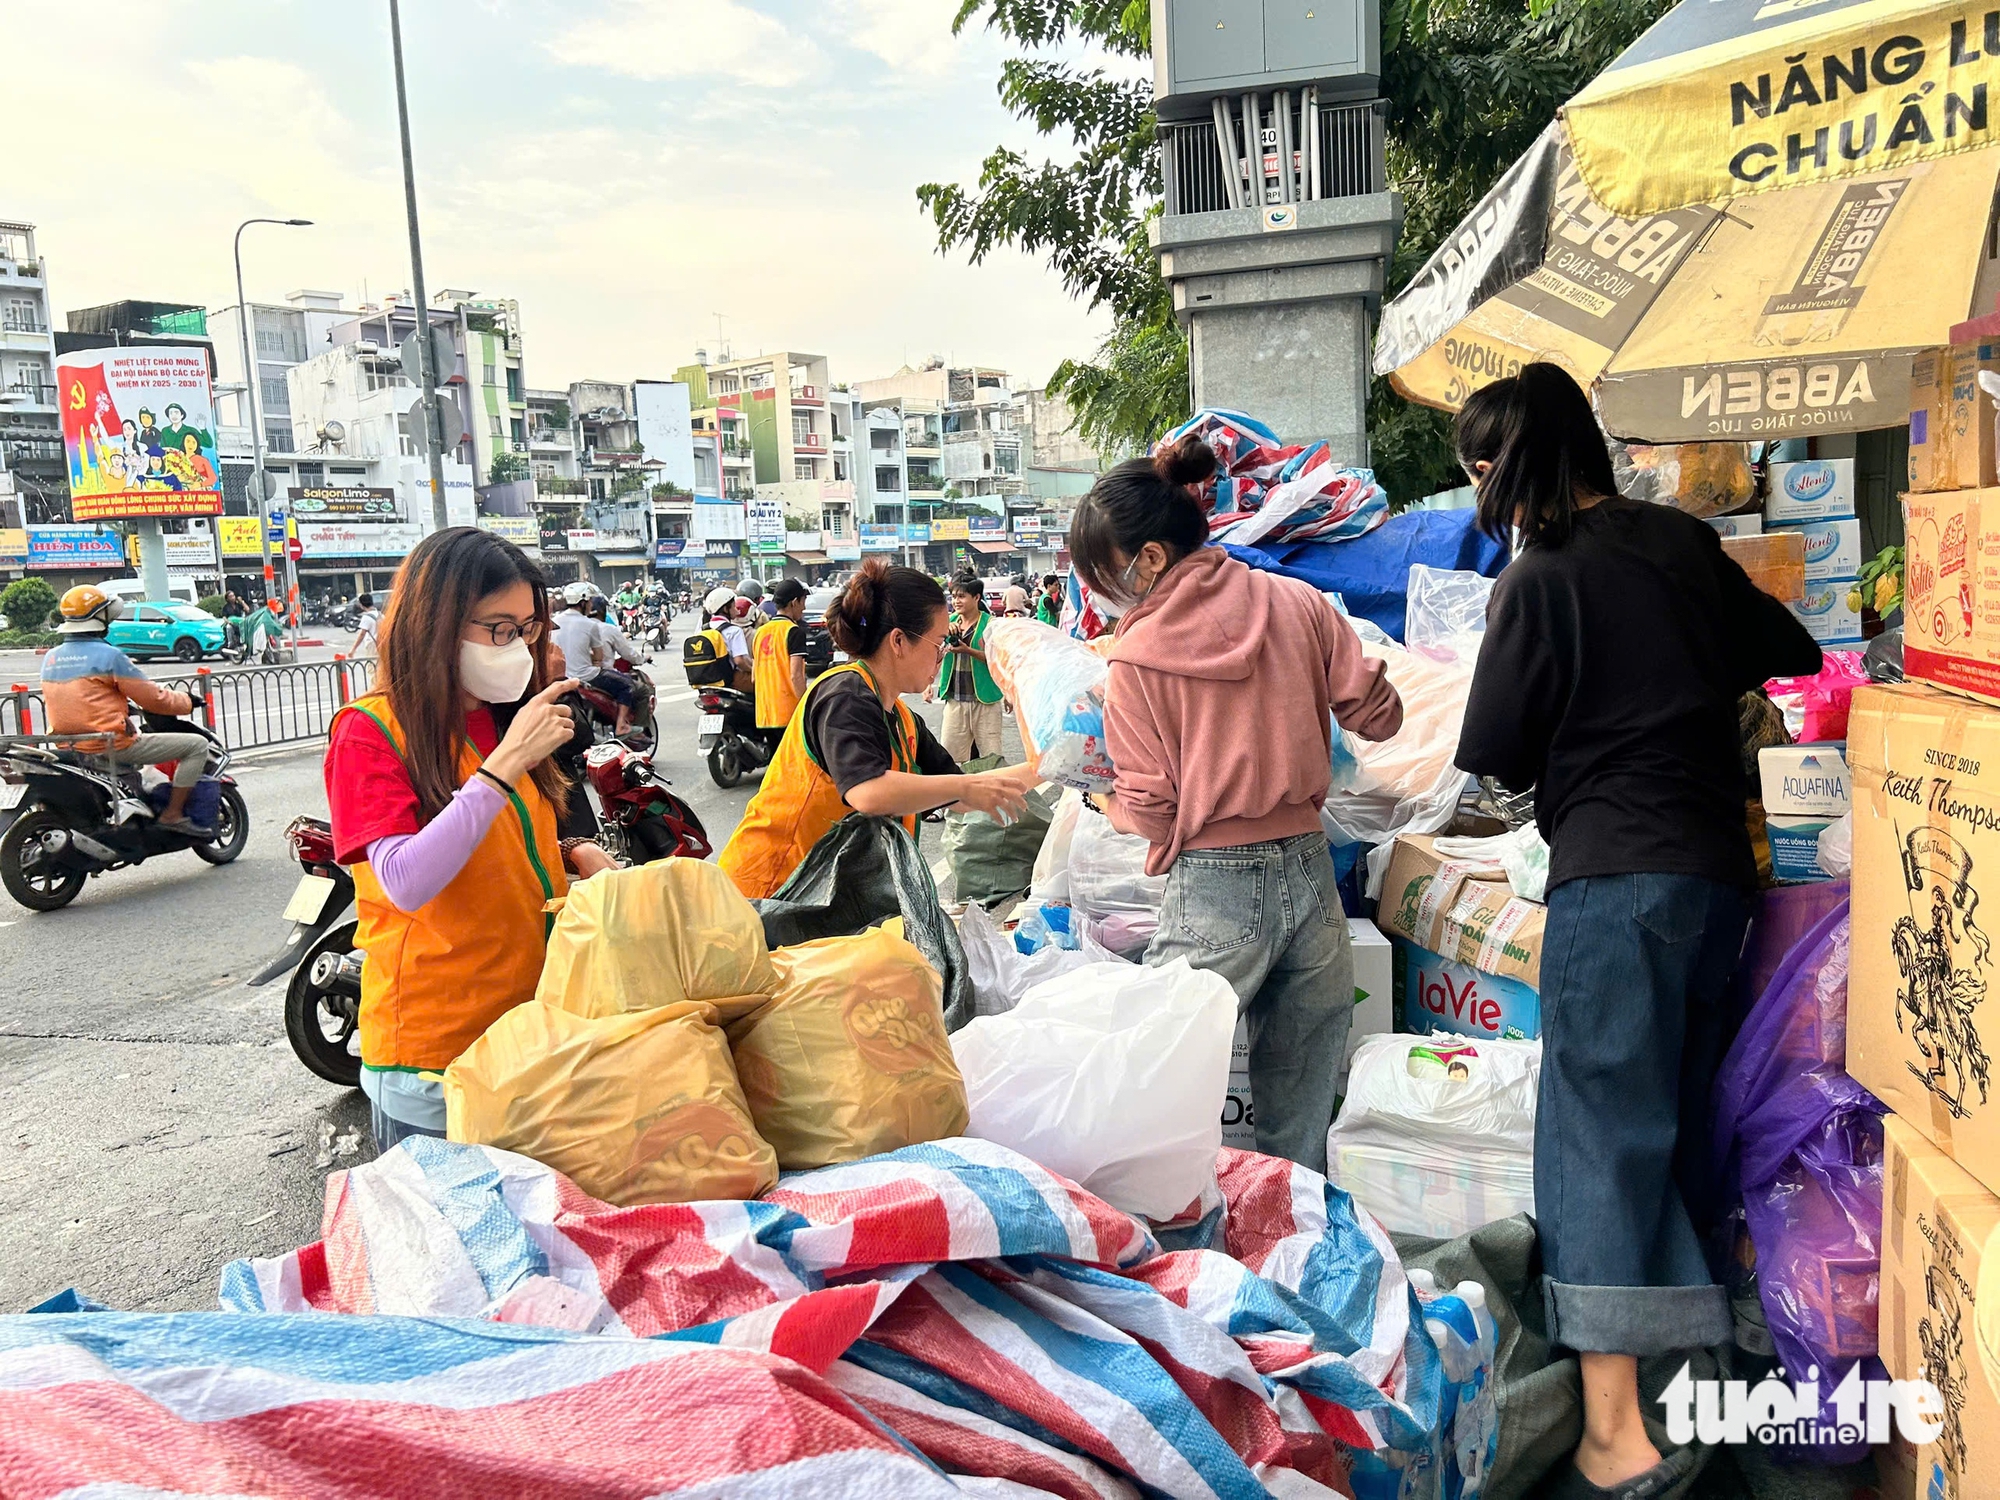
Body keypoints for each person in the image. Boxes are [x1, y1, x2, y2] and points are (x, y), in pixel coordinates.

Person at [1450, 364, 1823, 1499]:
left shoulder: (1537, 578)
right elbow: (1794, 652)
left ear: (1508, 462)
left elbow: (1498, 754)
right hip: (1718, 881)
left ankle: (1615, 1428)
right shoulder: (1674, 540)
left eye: (1478, 468)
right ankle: (1696, 1389)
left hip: (1612, 881)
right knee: (1683, 1130)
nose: (1481, 491)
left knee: (1598, 1138)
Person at [1075, 437, 1402, 1173]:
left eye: (1102, 576)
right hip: (1310, 870)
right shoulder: (1299, 602)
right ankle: (1302, 1251)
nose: (1101, 595)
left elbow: (1153, 811)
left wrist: (1103, 802)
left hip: (1217, 884)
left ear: (1150, 560)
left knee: (1162, 1095)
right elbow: (1379, 717)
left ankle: (1189, 1257)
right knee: (1301, 1104)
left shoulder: (1134, 661)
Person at [324, 528, 616, 1152]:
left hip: (529, 1037)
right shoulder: (369, 731)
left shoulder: (503, 716)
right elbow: (405, 880)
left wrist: (575, 855)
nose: (519, 646)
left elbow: (506, 843)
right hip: (436, 1059)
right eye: (500, 628)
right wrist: (502, 768)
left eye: (530, 628)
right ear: (439, 624)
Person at [720, 558, 1039, 899]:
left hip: (823, 900)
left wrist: (1055, 765)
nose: (942, 655)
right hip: (772, 891)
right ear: (899, 641)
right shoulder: (845, 694)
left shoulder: (902, 719)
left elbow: (961, 792)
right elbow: (868, 792)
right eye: (938, 643)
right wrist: (963, 786)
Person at [38, 587, 215, 835]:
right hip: (110, 745)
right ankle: (172, 815)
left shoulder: (51, 657)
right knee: (196, 745)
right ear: (100, 619)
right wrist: (187, 701)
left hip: (68, 746)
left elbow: (83, 697)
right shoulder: (110, 655)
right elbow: (155, 699)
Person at [551, 582, 644, 740]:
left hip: (559, 677)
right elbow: (598, 658)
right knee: (627, 685)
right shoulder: (589, 625)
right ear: (583, 602)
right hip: (587, 676)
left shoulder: (554, 621)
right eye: (589, 602)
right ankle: (622, 725)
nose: (591, 605)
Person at [929, 574, 1006, 763]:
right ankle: (959, 792)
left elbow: (998, 660)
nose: (956, 601)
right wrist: (928, 683)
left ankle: (990, 791)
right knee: (950, 758)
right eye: (954, 596)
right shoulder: (946, 623)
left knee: (992, 757)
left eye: (962, 596)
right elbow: (932, 652)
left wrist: (968, 650)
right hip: (955, 698)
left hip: (985, 700)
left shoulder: (991, 624)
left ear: (977, 598)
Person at [751, 578, 811, 730]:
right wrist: (807, 706)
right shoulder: (793, 631)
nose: (803, 608)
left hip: (764, 715)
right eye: (803, 601)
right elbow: (796, 675)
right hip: (788, 714)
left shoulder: (760, 632)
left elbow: (754, 677)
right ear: (794, 602)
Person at [350, 593, 382, 660]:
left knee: (372, 667)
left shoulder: (366, 617)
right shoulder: (381, 615)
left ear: (361, 605)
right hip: (382, 643)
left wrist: (353, 649)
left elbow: (362, 634)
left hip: (372, 645)